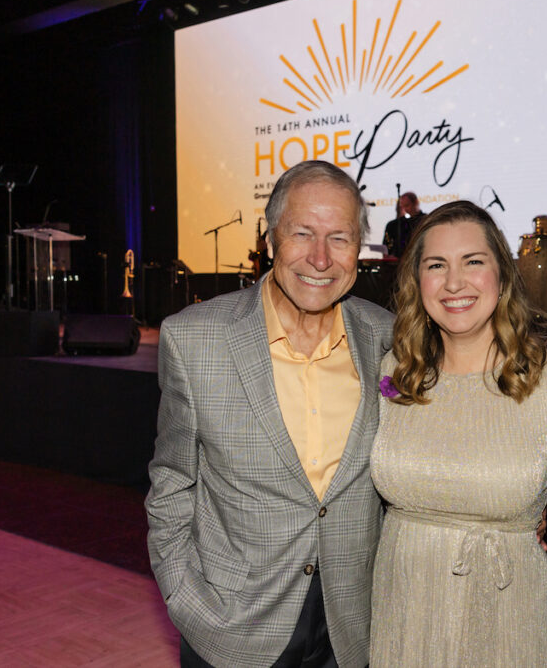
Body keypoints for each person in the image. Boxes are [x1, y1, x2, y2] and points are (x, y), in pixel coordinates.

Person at [145, 160, 394, 668]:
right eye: (302, 233)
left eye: (340, 238)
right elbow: (171, 484)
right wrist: (186, 601)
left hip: (350, 631)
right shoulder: (194, 339)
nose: (320, 258)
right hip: (232, 628)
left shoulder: (388, 338)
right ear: (271, 239)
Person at [369, 201, 547, 666]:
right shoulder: (395, 374)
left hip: (509, 621)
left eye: (473, 262)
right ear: (417, 281)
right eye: (436, 265)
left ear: (503, 275)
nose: (454, 283)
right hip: (404, 620)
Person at [382, 191, 425, 258]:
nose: (405, 209)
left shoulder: (425, 220)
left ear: (416, 203)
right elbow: (387, 244)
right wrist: (388, 255)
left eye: (407, 205)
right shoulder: (394, 224)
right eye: (402, 207)